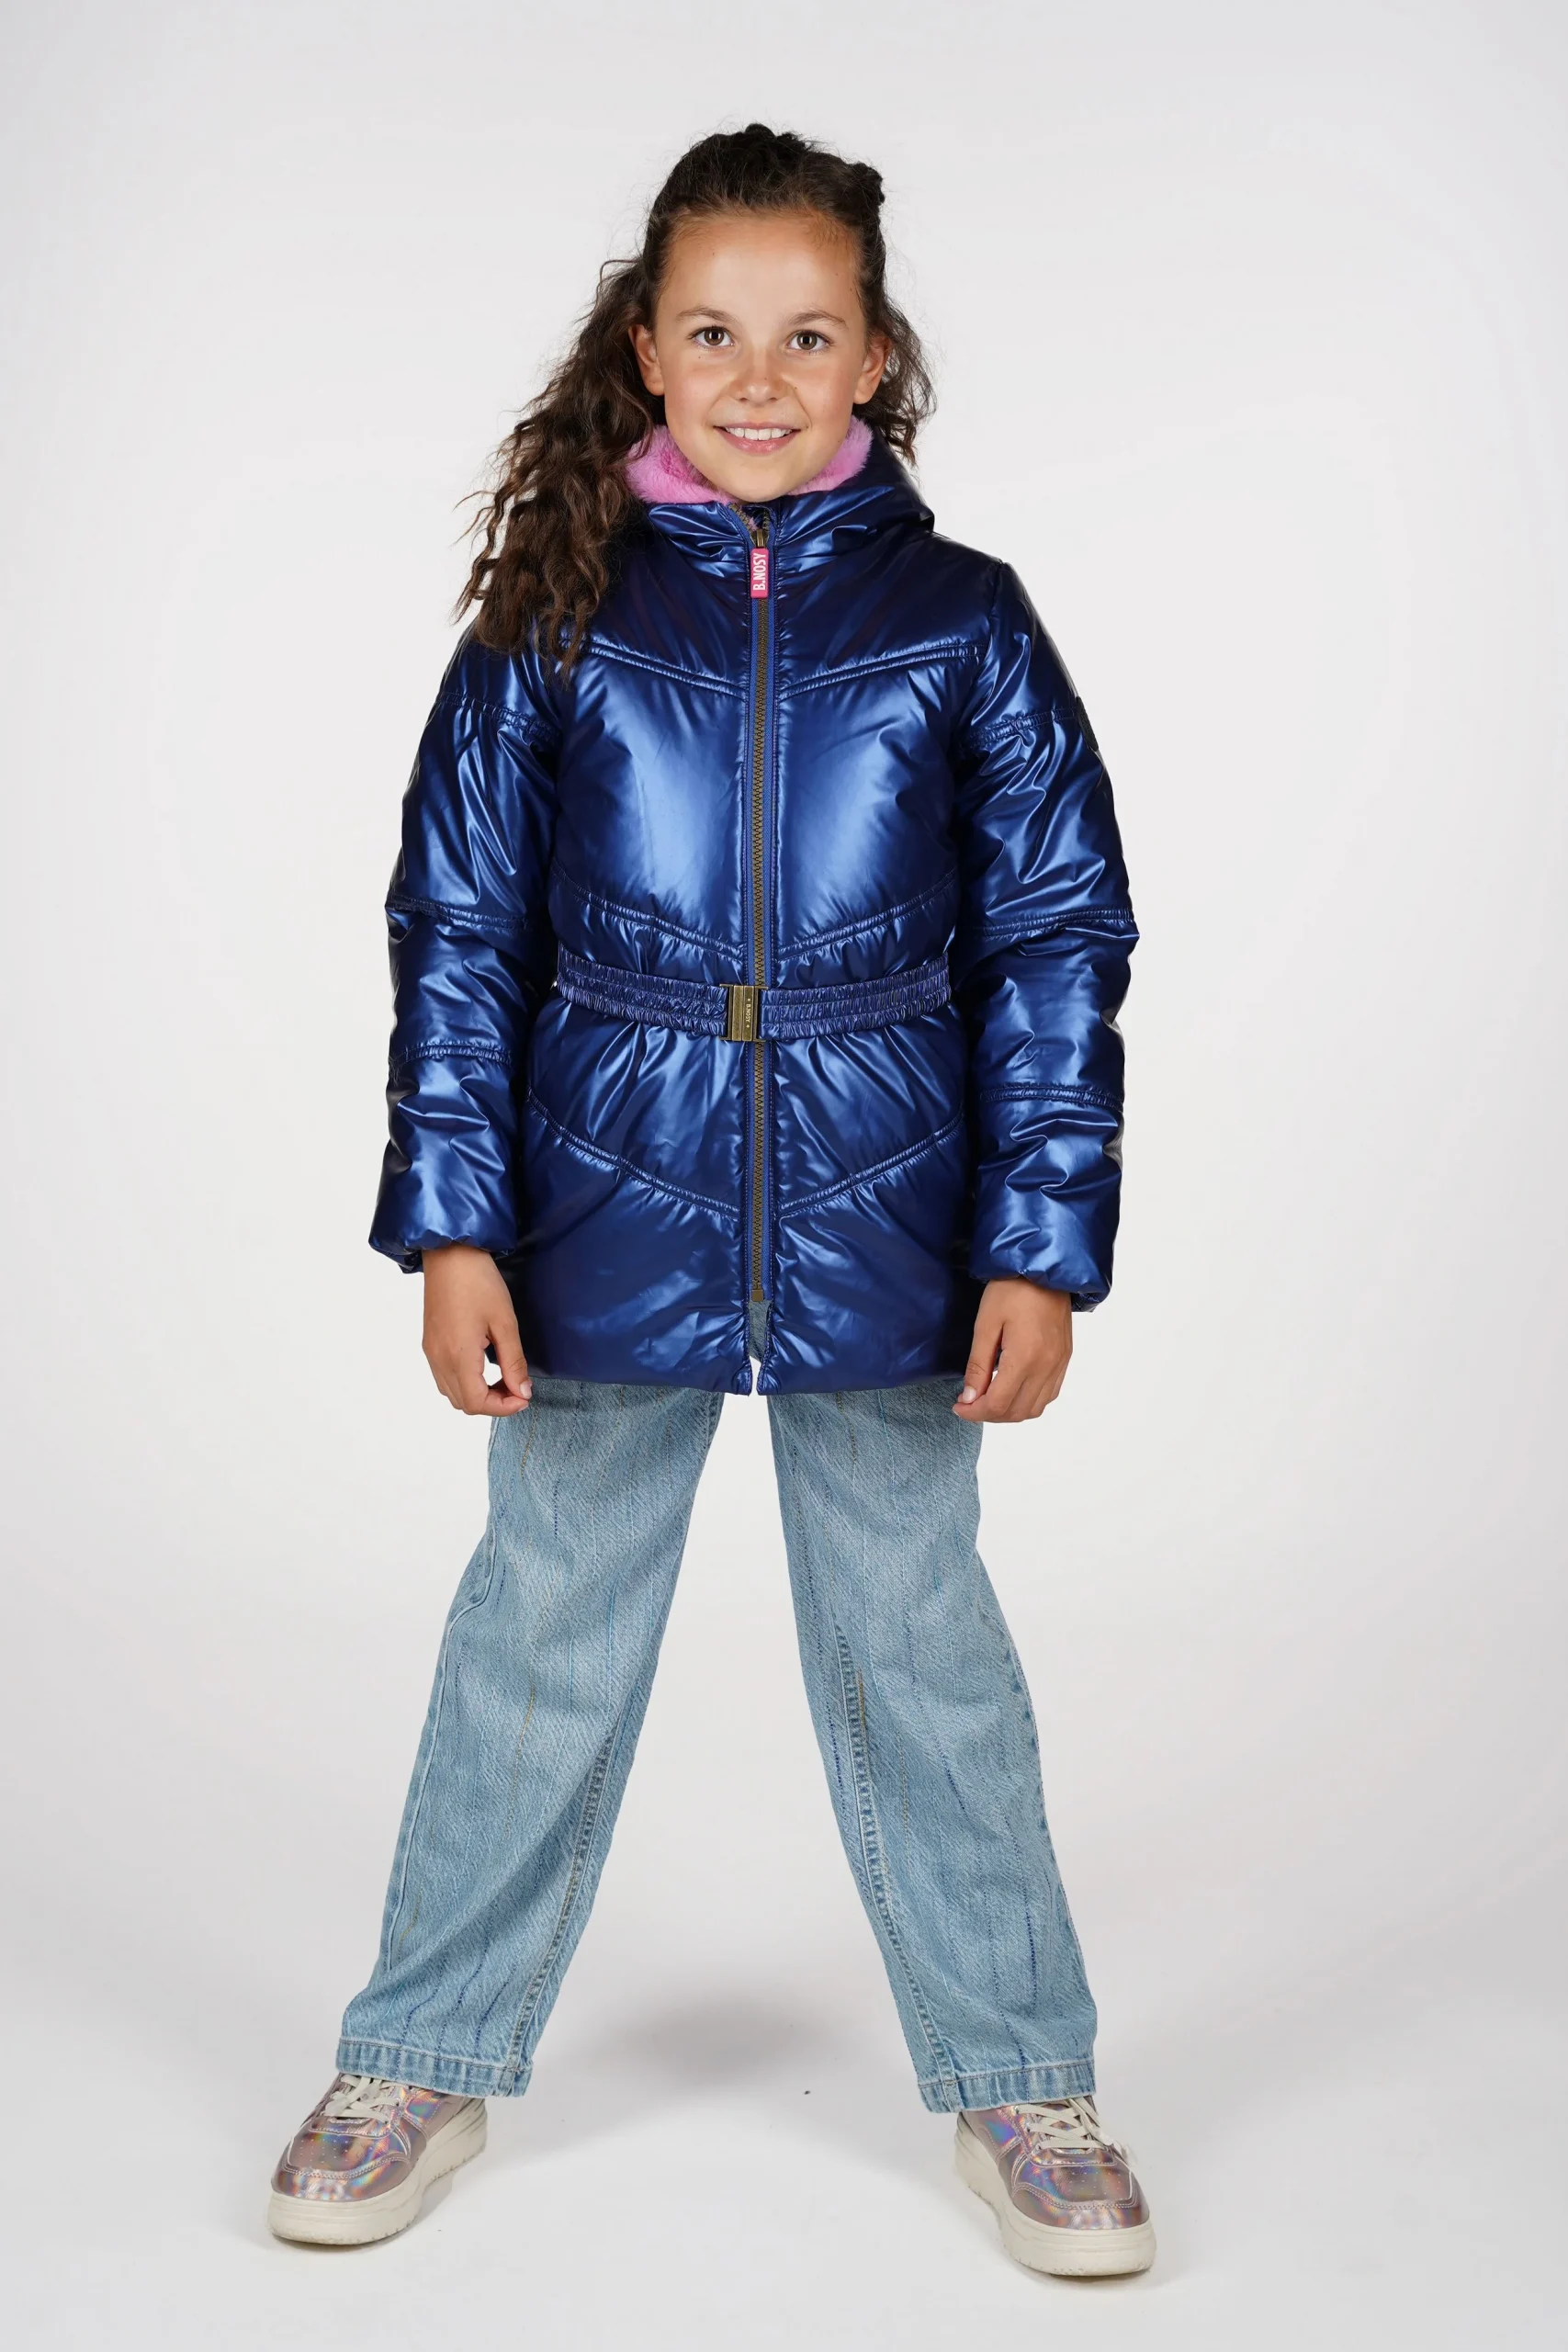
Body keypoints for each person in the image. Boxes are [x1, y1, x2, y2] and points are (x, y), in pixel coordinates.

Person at [265, 122, 1149, 2280]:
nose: (763, 376)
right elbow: (458, 931)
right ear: (645, 352)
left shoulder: (962, 623)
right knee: (540, 1634)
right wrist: (455, 1224)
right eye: (717, 332)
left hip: (890, 1211)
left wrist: (1036, 1240)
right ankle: (423, 2050)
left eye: (809, 334)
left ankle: (1020, 2072)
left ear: (874, 358)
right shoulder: (551, 615)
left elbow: (1057, 936)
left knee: (920, 1647)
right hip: (601, 1205)